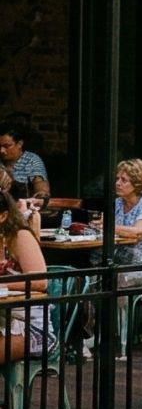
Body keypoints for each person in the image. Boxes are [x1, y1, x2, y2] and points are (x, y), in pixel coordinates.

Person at [0, 189, 51, 365]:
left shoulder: (20, 237)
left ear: (3, 216)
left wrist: (3, 285)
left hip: (30, 326)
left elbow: (39, 281)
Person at [0, 125, 49, 200]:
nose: (2, 150)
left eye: (7, 146)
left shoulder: (31, 160)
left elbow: (42, 190)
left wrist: (41, 195)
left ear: (20, 144)